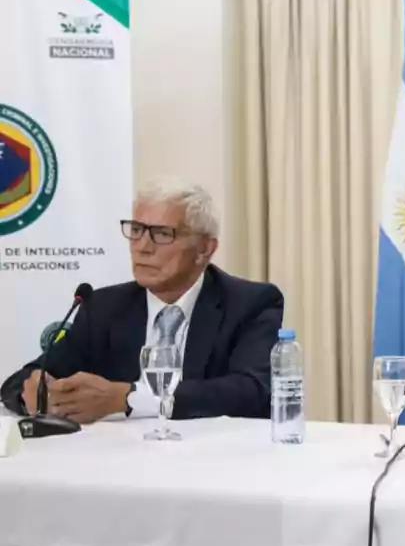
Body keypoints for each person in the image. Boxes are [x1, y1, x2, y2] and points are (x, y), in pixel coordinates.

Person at [1, 178, 284, 422]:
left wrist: (129, 398)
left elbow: (251, 390)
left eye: (162, 234)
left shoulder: (250, 303)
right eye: (136, 230)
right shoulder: (103, 307)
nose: (142, 247)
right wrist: (36, 392)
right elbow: (19, 381)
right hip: (119, 466)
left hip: (214, 464)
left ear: (204, 250)